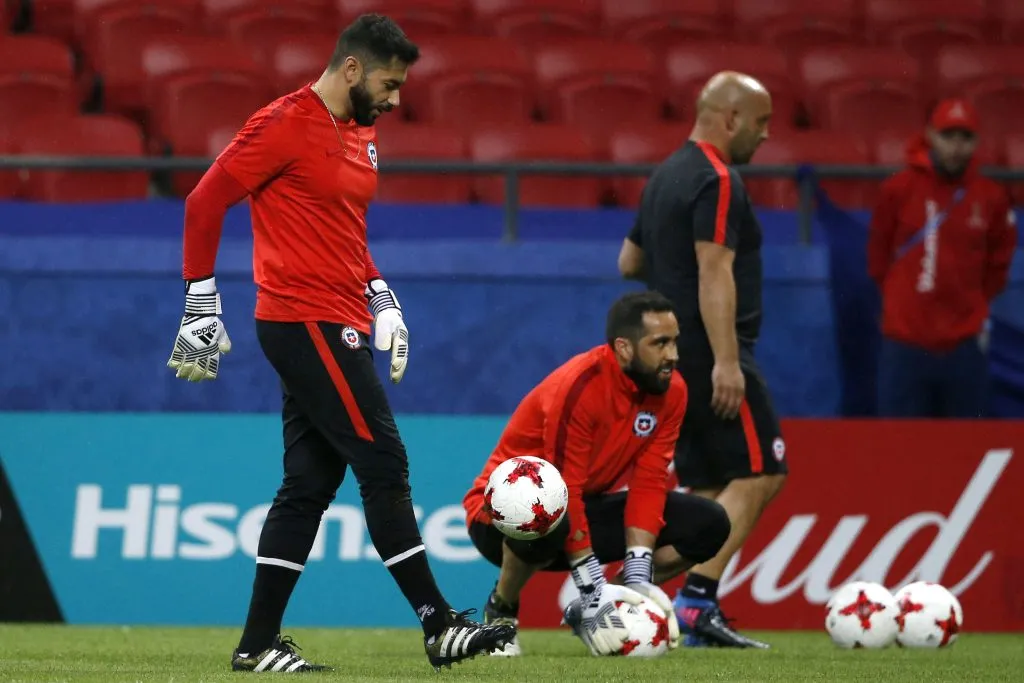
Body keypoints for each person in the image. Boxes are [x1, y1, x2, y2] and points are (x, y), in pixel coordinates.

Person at [166, 14, 513, 673]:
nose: (396, 98)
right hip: (305, 320)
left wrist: (380, 293)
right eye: (389, 82)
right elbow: (203, 202)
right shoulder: (282, 123)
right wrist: (199, 302)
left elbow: (344, 229)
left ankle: (257, 642)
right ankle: (439, 625)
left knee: (306, 486)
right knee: (384, 464)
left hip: (339, 313)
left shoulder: (361, 130)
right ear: (351, 68)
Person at [462, 291, 731, 657]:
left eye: (675, 341)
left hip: (581, 507)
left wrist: (637, 573)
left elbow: (650, 481)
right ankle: (502, 611)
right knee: (541, 509)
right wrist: (591, 586)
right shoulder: (578, 386)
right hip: (500, 518)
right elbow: (564, 486)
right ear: (623, 348)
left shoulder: (673, 390)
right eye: (660, 343)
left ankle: (615, 603)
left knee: (710, 522)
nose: (673, 355)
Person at [617, 71, 786, 649]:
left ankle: (621, 597)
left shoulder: (664, 175)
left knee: (710, 496)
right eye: (761, 122)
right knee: (762, 472)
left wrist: (671, 285)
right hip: (708, 355)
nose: (765, 136)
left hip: (667, 360)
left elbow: (628, 262)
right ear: (731, 117)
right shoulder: (717, 178)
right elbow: (714, 268)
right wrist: (727, 362)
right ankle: (696, 603)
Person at [867, 98, 1017, 418]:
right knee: (899, 445)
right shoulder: (898, 189)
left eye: (966, 138)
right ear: (931, 136)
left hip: (962, 344)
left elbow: (999, 263)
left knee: (964, 449)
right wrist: (902, 299)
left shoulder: (991, 198)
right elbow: (878, 256)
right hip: (905, 342)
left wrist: (970, 303)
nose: (956, 147)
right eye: (948, 136)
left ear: (976, 143)